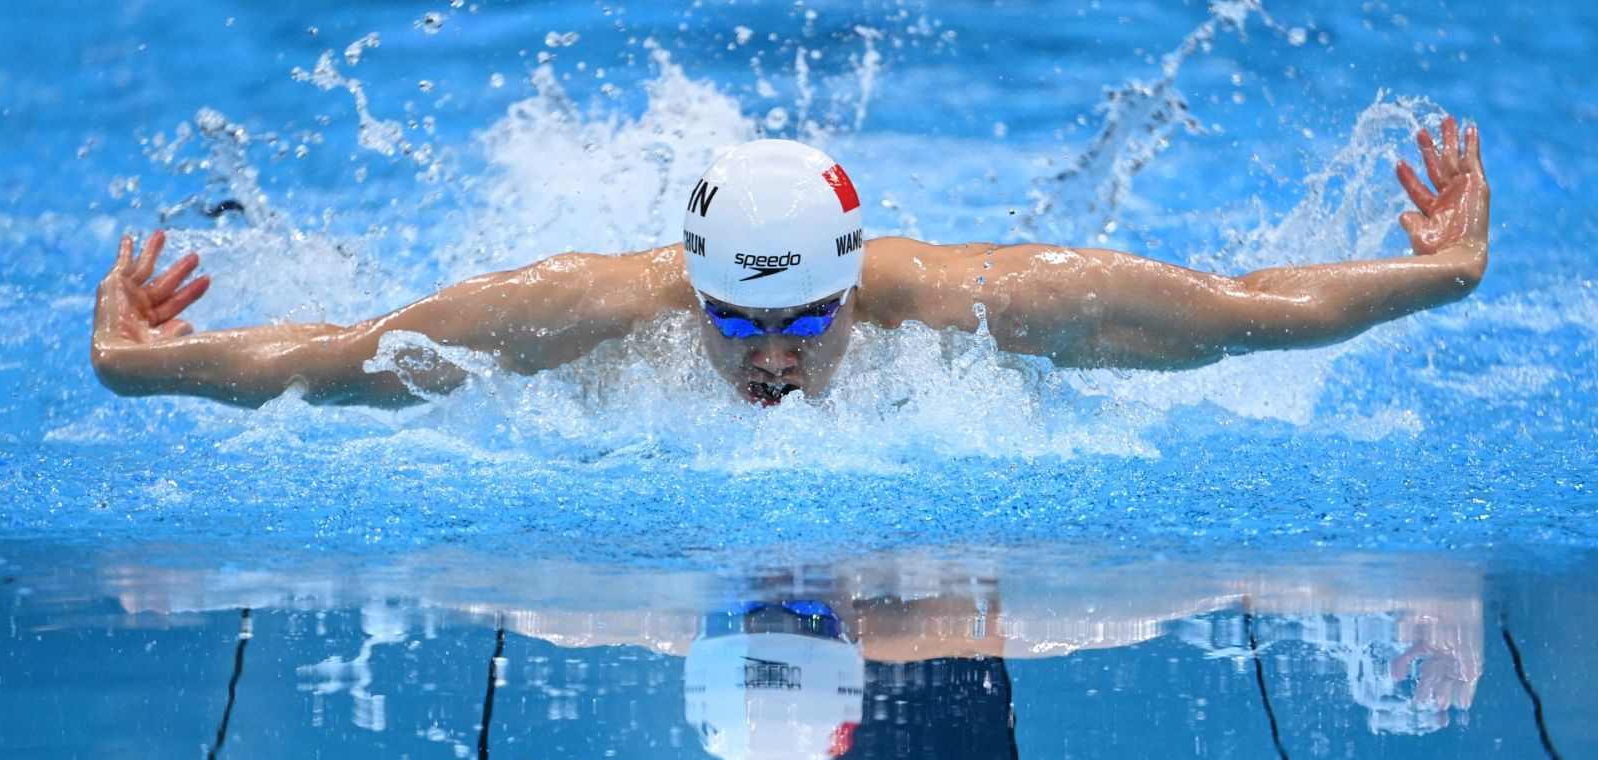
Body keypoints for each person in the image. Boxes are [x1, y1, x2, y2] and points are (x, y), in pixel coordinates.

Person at [90, 118, 1489, 408]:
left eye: (810, 317)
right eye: (740, 318)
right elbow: (343, 359)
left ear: (854, 279)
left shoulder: (965, 305)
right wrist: (145, 371)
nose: (774, 353)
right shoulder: (578, 313)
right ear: (691, 286)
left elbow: (1231, 321)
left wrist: (1436, 277)